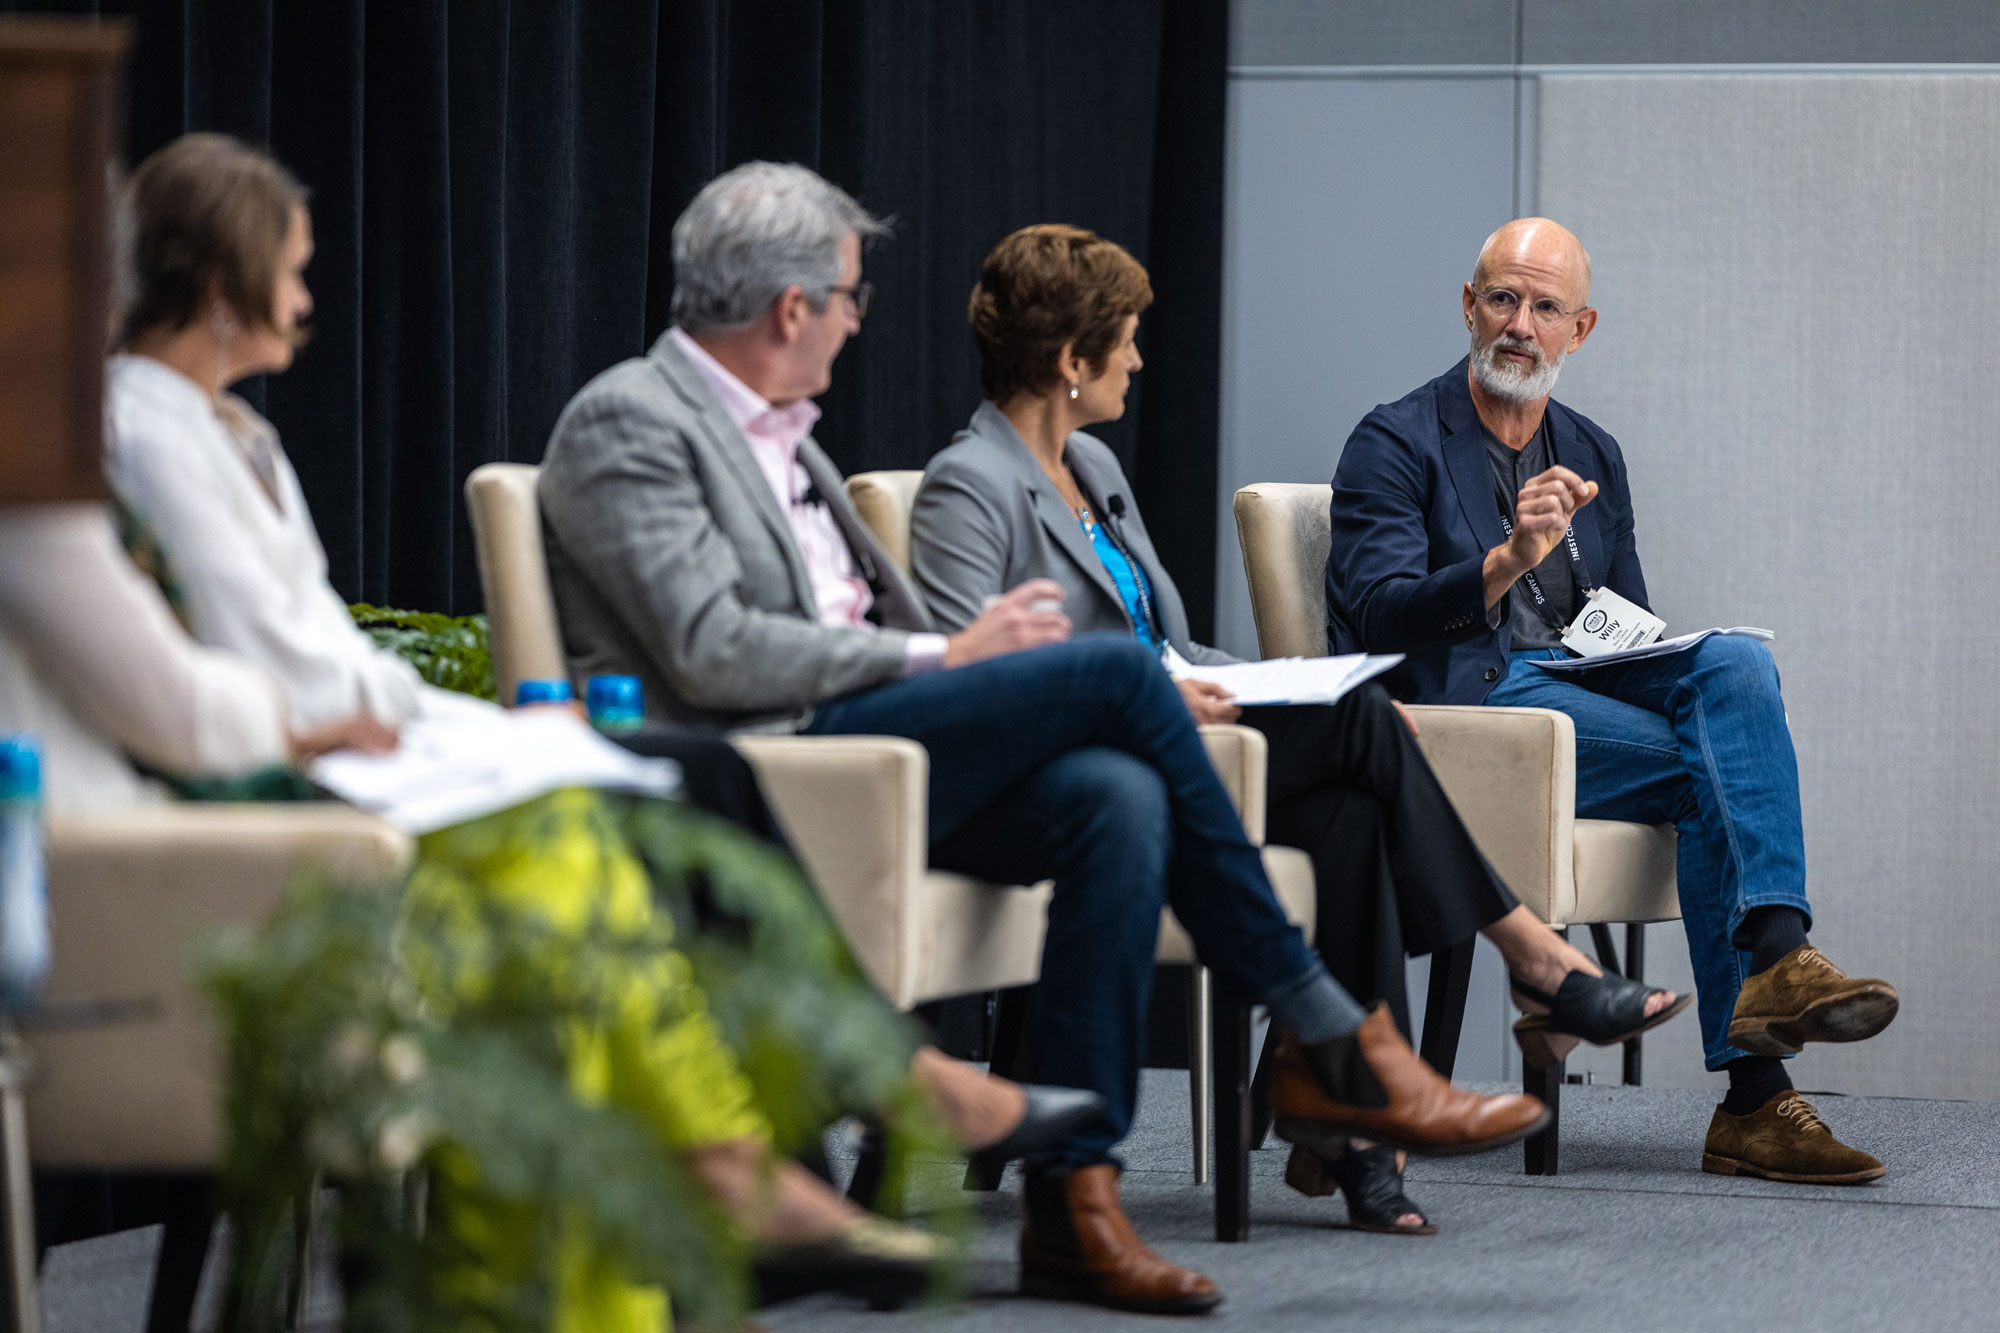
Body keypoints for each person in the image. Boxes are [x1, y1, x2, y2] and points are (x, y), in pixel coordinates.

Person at [97, 132, 1114, 1322]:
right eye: (294, 267)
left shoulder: (243, 435)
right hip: (292, 791)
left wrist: (442, 715)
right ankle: (870, 1100)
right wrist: (388, 724)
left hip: (375, 744)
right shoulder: (141, 429)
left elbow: (323, 639)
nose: (311, 295)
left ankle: (807, 1143)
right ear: (224, 286)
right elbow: (257, 661)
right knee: (698, 767)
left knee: (689, 772)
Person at [538, 159, 1550, 1315]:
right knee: (1115, 673)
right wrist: (947, 659)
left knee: (1113, 800)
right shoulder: (631, 419)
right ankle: (1329, 1029)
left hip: (871, 744)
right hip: (778, 758)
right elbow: (713, 652)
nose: (856, 321)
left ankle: (1077, 1207)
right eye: (848, 297)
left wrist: (962, 666)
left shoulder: (788, 437)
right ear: (788, 309)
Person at [906, 222, 1691, 1234]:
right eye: (1127, 338)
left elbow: (1171, 642)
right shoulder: (967, 485)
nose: (1142, 358)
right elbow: (973, 673)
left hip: (1182, 721)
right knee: (1369, 725)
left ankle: (1359, 1133)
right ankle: (1530, 964)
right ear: (1070, 360)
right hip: (1090, 755)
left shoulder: (1093, 467)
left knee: (1352, 806)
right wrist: (1147, 683)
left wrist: (1273, 679)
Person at [1325, 217, 1900, 1185]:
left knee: (1731, 666)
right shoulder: (1394, 439)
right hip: (1468, 711)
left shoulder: (1591, 448)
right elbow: (1376, 616)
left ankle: (1776, 952)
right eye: (1501, 298)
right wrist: (1506, 560)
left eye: (1543, 306)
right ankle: (1757, 1085)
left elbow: (1622, 618)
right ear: (1467, 307)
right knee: (1719, 773)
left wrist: (1654, 647)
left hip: (1575, 689)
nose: (1518, 322)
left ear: (1577, 329)